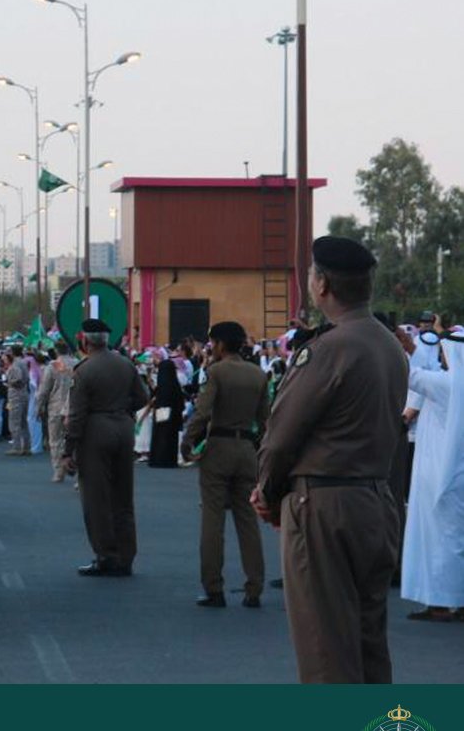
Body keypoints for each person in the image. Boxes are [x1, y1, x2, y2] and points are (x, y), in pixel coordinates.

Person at [253, 235, 406, 683]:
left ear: (321, 285)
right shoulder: (388, 344)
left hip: (324, 504)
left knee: (326, 650)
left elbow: (280, 437)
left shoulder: (329, 349)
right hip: (376, 500)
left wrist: (267, 489)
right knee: (367, 644)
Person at [180, 321, 270, 608]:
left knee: (213, 520)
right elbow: (266, 420)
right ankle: (254, 588)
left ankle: (214, 588)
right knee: (247, 521)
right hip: (247, 448)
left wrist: (188, 441)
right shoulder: (258, 374)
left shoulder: (215, 372)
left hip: (218, 447)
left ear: (219, 344)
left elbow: (203, 411)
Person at [65, 318, 150, 577]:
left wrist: (68, 449)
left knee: (96, 498)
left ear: (84, 341)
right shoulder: (125, 364)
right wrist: (122, 412)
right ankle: (126, 556)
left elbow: (77, 414)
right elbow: (143, 397)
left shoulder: (84, 370)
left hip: (95, 431)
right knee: (123, 496)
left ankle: (106, 555)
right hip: (124, 430)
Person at [400, 319, 464, 623]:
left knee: (440, 540)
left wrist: (394, 342)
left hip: (439, 475)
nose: (440, 357)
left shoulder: (446, 383)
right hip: (458, 474)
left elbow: (407, 375)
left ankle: (440, 603)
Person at [35, 341, 76, 483]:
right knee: (76, 441)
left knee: (56, 441)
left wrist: (39, 407)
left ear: (57, 352)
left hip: (56, 407)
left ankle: (59, 471)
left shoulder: (52, 366)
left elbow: (44, 390)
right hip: (74, 407)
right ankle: (78, 473)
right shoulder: (77, 364)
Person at [147, 353, 183, 468]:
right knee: (170, 437)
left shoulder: (163, 384)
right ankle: (169, 459)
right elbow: (180, 402)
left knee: (160, 435)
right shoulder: (175, 385)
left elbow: (157, 396)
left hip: (162, 413)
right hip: (173, 415)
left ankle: (158, 458)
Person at [4, 350, 31, 455]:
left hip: (15, 395)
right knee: (23, 422)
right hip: (24, 394)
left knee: (14, 422)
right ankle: (26, 446)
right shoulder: (23, 363)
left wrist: (9, 382)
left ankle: (17, 447)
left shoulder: (15, 365)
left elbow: (18, 379)